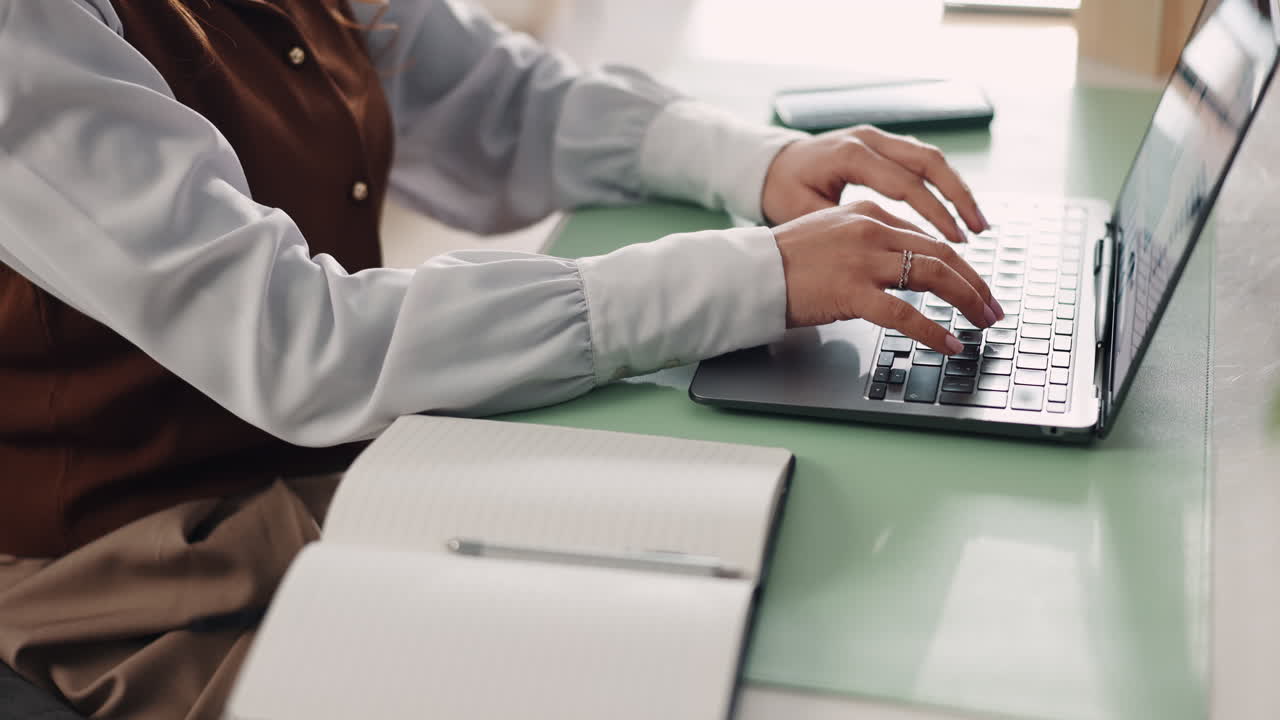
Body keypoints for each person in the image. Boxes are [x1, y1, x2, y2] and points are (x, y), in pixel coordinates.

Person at [0, 0, 1003, 717]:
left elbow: (494, 99)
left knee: (721, 586)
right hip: (133, 568)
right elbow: (302, 345)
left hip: (327, 471)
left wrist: (755, 162)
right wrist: (753, 279)